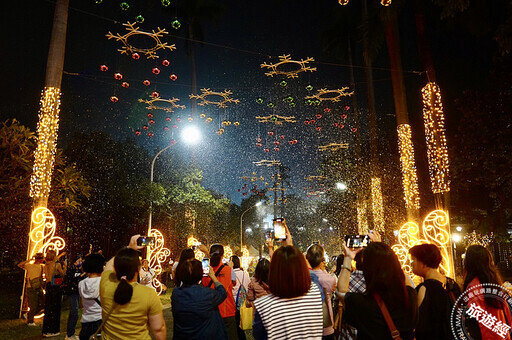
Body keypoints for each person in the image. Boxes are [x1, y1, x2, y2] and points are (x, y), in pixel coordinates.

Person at [337, 231, 418, 340]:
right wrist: (384, 251)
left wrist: (348, 257)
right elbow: (400, 275)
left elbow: (341, 292)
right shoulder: (410, 297)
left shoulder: (362, 303)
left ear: (368, 271)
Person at [99, 235, 166, 340]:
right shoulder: (149, 294)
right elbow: (158, 329)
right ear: (139, 269)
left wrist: (129, 248)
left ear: (116, 267)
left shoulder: (106, 286)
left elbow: (108, 265)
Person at [253, 245, 323, 340]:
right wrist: (294, 254)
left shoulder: (263, 306)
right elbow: (312, 276)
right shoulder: (315, 293)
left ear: (273, 272)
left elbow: (258, 335)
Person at [409, 244, 460, 340]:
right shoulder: (452, 284)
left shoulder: (424, 289)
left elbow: (419, 324)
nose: (412, 264)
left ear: (423, 263)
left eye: (413, 260)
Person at [462, 245, 512, 340]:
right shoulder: (494, 282)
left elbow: (477, 320)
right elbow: (507, 311)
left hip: (488, 335)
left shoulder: (474, 286)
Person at [172, 258, 229, 339]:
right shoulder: (206, 294)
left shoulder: (176, 293)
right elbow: (222, 293)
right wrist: (213, 276)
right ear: (200, 274)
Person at [201, 244, 238, 340]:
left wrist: (206, 254)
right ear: (223, 255)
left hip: (211, 312)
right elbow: (234, 283)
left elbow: (204, 284)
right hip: (228, 311)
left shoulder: (206, 271)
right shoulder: (229, 270)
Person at [307, 244, 337, 340]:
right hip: (326, 323)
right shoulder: (330, 279)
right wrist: (323, 270)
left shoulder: (304, 277)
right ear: (322, 259)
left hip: (309, 324)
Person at [78, 253, 104, 340]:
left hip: (86, 321)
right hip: (100, 321)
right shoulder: (103, 282)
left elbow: (82, 302)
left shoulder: (81, 284)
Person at [42, 250, 67, 337]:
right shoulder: (57, 265)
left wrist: (60, 255)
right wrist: (65, 266)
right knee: (55, 309)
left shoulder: (46, 264)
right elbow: (63, 274)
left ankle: (46, 330)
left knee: (48, 308)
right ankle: (53, 330)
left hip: (48, 286)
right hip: (55, 288)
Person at [18, 253, 45, 326]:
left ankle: (29, 315)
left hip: (38, 287)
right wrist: (29, 260)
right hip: (31, 287)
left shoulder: (42, 266)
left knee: (42, 303)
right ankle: (30, 321)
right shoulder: (29, 266)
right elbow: (20, 265)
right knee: (33, 305)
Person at [63, 255, 86, 340]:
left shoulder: (80, 270)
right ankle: (69, 334)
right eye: (78, 260)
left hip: (78, 293)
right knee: (74, 313)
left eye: (81, 260)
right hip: (72, 293)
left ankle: (70, 333)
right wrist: (80, 276)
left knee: (74, 313)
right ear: (74, 262)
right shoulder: (71, 270)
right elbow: (71, 280)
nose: (80, 262)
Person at [230, 255, 250, 340]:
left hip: (234, 302)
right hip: (243, 302)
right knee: (241, 324)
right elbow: (248, 286)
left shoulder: (231, 274)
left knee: (236, 325)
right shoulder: (245, 274)